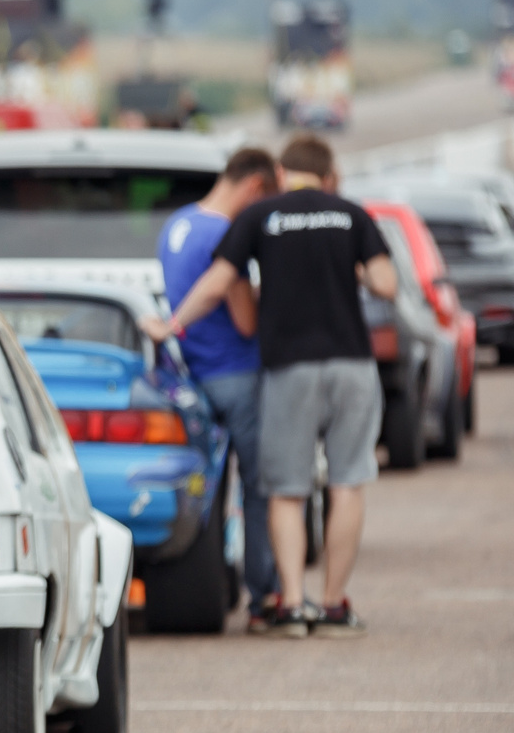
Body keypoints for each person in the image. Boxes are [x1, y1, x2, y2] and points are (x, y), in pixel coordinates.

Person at [146, 135, 396, 638]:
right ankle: (332, 606)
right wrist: (349, 270)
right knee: (348, 483)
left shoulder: (262, 218)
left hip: (289, 369)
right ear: (327, 177)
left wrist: (172, 325)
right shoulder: (351, 214)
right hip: (351, 363)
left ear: (281, 174)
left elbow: (218, 283)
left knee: (285, 490)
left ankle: (291, 605)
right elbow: (386, 284)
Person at [145, 146, 282, 627]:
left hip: (198, 372)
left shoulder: (176, 226)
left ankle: (216, 580)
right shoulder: (227, 234)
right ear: (254, 187)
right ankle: (265, 594)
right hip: (239, 373)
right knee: (261, 489)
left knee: (212, 488)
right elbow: (245, 321)